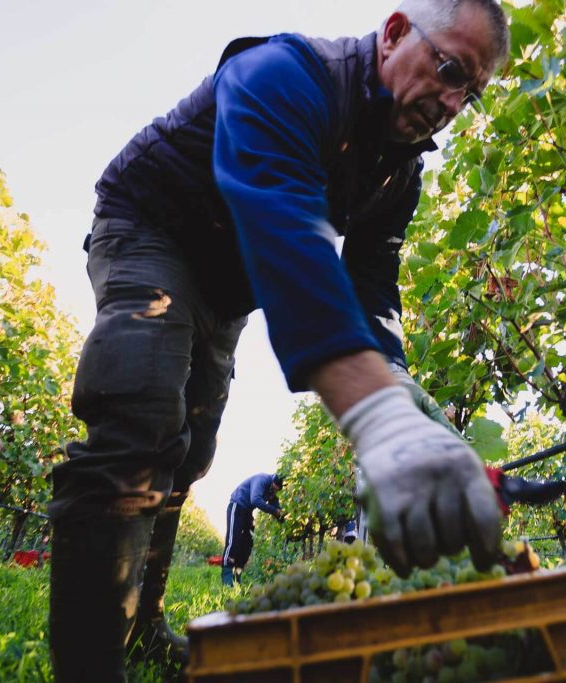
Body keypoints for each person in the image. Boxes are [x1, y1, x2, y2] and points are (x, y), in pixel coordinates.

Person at [46, 1, 511, 680]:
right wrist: (373, 415)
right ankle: (88, 666)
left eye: (469, 93)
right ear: (394, 32)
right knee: (138, 410)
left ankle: (140, 625)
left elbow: (372, 284)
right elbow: (280, 219)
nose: (450, 102)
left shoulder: (399, 172)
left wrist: (405, 397)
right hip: (151, 229)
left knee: (191, 450)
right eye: (448, 70)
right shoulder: (285, 73)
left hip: (228, 290)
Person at [221, 473, 284, 586]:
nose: (275, 491)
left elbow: (276, 508)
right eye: (275, 487)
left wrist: (284, 518)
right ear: (273, 480)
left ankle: (237, 573)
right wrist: (274, 511)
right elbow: (255, 499)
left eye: (277, 490)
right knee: (233, 540)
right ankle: (227, 575)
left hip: (247, 512)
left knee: (247, 543)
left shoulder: (272, 491)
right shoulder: (262, 480)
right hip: (237, 506)